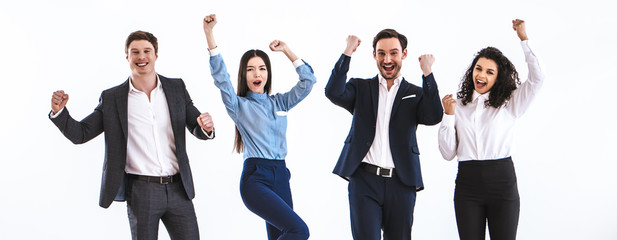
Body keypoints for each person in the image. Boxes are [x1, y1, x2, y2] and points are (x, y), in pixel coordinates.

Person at [49, 30, 215, 240]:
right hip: (141, 192)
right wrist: (59, 112)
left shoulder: (176, 88)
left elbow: (195, 125)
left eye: (147, 51)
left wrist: (206, 128)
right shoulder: (113, 98)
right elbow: (81, 134)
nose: (141, 57)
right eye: (135, 52)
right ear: (127, 57)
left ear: (156, 55)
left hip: (179, 189)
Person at [202, 14, 316, 240]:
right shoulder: (238, 106)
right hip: (256, 179)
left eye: (262, 68)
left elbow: (308, 82)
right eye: (251, 69)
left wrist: (287, 51)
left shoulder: (280, 102)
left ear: (267, 74)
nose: (257, 73)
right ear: (244, 75)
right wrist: (209, 34)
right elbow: (221, 78)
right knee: (299, 231)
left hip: (281, 176)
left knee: (283, 234)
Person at [325, 29, 443, 239]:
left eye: (393, 53)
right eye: (381, 53)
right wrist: (348, 52)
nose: (387, 59)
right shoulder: (360, 87)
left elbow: (433, 116)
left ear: (404, 54)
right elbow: (333, 92)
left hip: (401, 183)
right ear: (374, 55)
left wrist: (428, 73)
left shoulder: (415, 93)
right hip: (364, 181)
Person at [438, 19, 544, 240]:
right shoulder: (459, 106)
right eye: (478, 69)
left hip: (502, 183)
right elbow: (448, 154)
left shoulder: (510, 103)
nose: (481, 75)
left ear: (498, 77)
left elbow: (537, 79)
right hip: (468, 185)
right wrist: (448, 116)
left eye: (489, 72)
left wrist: (524, 39)